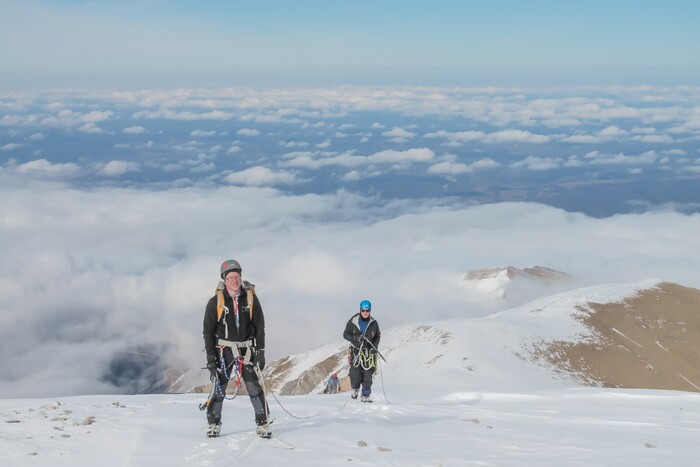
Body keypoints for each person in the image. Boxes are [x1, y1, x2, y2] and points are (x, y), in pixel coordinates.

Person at [202, 259, 270, 438]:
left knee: (254, 387)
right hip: (224, 350)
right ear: (224, 280)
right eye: (231, 277)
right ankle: (213, 423)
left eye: (237, 277)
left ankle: (263, 423)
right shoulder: (215, 302)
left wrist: (260, 351)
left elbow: (259, 326)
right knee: (219, 387)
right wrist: (211, 358)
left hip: (247, 349)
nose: (235, 280)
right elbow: (208, 331)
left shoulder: (250, 299)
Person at [343, 299, 381, 402]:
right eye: (363, 310)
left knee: (368, 374)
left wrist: (374, 347)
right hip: (356, 351)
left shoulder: (373, 323)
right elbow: (345, 334)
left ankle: (365, 395)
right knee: (355, 374)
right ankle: (355, 389)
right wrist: (356, 338)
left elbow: (377, 336)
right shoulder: (353, 321)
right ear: (360, 310)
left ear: (370, 310)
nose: (365, 312)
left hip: (369, 352)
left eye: (367, 310)